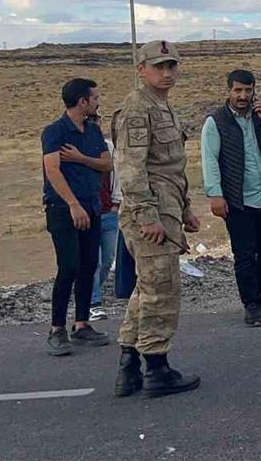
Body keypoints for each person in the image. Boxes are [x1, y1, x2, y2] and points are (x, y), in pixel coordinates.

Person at [113, 40, 201, 398]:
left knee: (147, 287)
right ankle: (157, 367)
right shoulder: (137, 109)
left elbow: (171, 167)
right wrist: (148, 216)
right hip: (149, 215)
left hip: (166, 209)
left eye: (171, 66)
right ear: (141, 69)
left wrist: (185, 209)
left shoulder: (163, 107)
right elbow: (131, 169)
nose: (166, 73)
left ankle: (129, 366)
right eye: (158, 66)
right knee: (161, 289)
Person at [201, 69, 261, 327]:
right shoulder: (216, 122)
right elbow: (209, 160)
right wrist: (215, 194)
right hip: (238, 200)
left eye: (247, 90)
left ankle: (260, 295)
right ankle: (251, 304)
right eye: (238, 90)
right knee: (245, 254)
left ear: (253, 91)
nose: (242, 95)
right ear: (229, 90)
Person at [40, 78, 113, 355]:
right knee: (68, 266)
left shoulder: (93, 131)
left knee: (88, 265)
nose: (98, 102)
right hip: (64, 210)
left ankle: (82, 324)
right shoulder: (55, 132)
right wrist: (72, 204)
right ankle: (57, 329)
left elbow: (107, 164)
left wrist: (82, 158)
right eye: (95, 98)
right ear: (82, 101)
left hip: (92, 207)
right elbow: (53, 170)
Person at [89, 131, 122, 322]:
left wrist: (116, 202)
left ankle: (89, 290)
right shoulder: (77, 148)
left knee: (108, 259)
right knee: (94, 261)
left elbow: (117, 173)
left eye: (96, 119)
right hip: (90, 213)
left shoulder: (108, 147)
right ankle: (94, 303)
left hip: (109, 211)